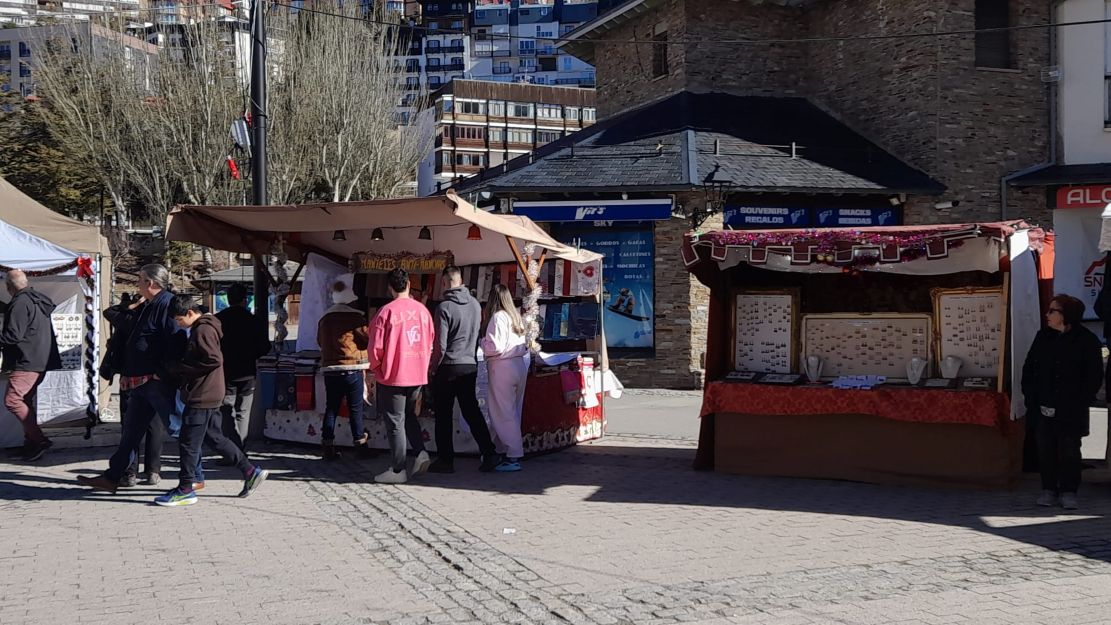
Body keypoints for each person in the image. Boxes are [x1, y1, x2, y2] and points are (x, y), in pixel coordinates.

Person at [152, 295, 269, 507]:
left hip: (202, 394)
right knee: (215, 438)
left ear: (190, 313)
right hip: (210, 392)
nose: (178, 324)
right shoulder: (206, 326)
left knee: (188, 443)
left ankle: (186, 489)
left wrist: (181, 368)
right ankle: (250, 471)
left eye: (179, 320)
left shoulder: (202, 329)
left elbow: (213, 359)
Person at [78, 264, 184, 493]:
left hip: (155, 380)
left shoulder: (167, 305)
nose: (137, 284)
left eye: (140, 280)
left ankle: (234, 470)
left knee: (180, 429)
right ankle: (113, 476)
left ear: (152, 283)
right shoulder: (148, 304)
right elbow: (115, 315)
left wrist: (162, 373)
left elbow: (176, 342)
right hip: (140, 382)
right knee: (131, 432)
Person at [1021, 294, 1103, 510]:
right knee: (1045, 449)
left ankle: (1069, 491)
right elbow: (1029, 369)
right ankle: (1048, 489)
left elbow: (1093, 376)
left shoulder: (1086, 340)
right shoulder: (1043, 337)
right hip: (1043, 405)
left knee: (1070, 450)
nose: (1047, 315)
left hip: (1071, 407)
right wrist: (1031, 397)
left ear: (1065, 315)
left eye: (1052, 311)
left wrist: (1080, 399)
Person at [428, 266, 499, 474]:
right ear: (461, 281)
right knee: (471, 411)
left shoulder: (444, 307)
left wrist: (433, 368)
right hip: (469, 364)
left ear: (444, 283)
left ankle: (445, 459)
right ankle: (489, 452)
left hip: (448, 366)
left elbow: (440, 344)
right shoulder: (476, 306)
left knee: (443, 414)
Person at [370, 267, 434, 484]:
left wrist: (376, 369)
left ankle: (398, 469)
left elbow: (375, 348)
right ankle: (421, 452)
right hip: (417, 372)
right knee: (408, 416)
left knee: (395, 421)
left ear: (390, 288)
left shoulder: (385, 312)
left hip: (393, 374)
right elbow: (431, 340)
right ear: (408, 285)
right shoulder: (423, 312)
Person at [102, 292, 167, 486]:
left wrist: (128, 306)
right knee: (155, 425)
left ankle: (130, 472)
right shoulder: (155, 321)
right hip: (152, 377)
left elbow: (109, 312)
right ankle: (153, 470)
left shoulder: (128, 318)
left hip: (130, 379)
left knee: (130, 426)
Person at [0, 269, 62, 462]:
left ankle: (39, 440)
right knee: (25, 401)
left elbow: (13, 335)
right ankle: (32, 445)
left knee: (13, 401)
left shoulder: (20, 303)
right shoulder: (36, 299)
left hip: (27, 361)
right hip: (40, 359)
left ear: (9, 287)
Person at [316, 273, 370, 460]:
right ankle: (360, 446)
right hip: (352, 368)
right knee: (355, 409)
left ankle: (327, 446)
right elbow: (367, 339)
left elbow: (319, 341)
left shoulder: (325, 319)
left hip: (330, 370)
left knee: (331, 407)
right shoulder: (356, 318)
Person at [481, 283, 531, 473]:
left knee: (503, 412)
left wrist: (481, 342)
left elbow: (495, 347)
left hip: (502, 367)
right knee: (511, 410)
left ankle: (513, 454)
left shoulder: (497, 317)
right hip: (518, 365)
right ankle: (502, 449)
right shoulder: (515, 316)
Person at [216, 283, 271, 452]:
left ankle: (230, 449)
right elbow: (265, 347)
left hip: (225, 372)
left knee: (226, 411)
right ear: (245, 300)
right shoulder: (254, 320)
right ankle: (240, 449)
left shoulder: (219, 319)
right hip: (247, 372)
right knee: (243, 411)